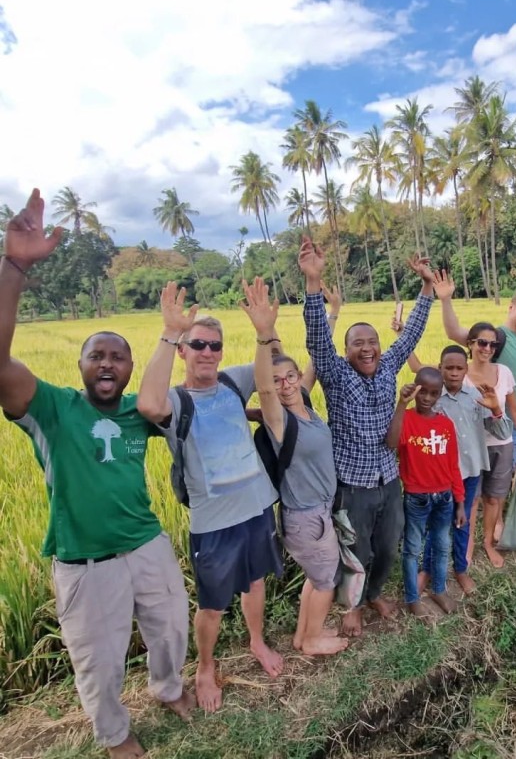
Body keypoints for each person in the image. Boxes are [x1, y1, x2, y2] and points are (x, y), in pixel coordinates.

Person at [0, 191, 193, 759]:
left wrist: (175, 337)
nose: (107, 363)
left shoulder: (139, 411)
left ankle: (167, 687)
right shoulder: (54, 410)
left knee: (170, 628)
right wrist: (13, 267)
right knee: (99, 660)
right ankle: (113, 734)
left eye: (117, 357)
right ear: (80, 366)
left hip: (146, 544)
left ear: (129, 368)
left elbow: (183, 404)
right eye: (96, 356)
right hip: (85, 562)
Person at [137, 282, 283, 714]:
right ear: (182, 351)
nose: (207, 352)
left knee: (255, 582)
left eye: (214, 346)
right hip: (213, 522)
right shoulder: (176, 402)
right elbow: (146, 404)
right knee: (214, 603)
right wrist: (168, 331)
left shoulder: (233, 382)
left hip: (256, 506)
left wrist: (264, 332)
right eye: (196, 344)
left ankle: (256, 640)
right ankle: (204, 666)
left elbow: (270, 371)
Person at [298, 237, 435, 637]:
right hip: (353, 485)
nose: (368, 348)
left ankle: (374, 592)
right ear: (346, 350)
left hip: (389, 479)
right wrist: (313, 283)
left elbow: (409, 337)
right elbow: (316, 339)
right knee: (355, 551)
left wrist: (426, 288)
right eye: (358, 343)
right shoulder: (336, 375)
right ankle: (352, 606)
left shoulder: (389, 367)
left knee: (388, 547)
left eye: (372, 341)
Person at [240, 276, 347, 656]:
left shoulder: (304, 401)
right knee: (326, 581)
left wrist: (332, 315)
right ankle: (313, 641)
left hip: (315, 513)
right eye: (276, 381)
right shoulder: (280, 421)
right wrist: (262, 334)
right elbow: (267, 390)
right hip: (305, 517)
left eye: (289, 377)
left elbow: (318, 356)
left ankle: (304, 635)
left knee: (315, 578)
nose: (284, 385)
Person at [435, 271, 516, 465]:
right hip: (506, 425)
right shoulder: (494, 339)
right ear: (511, 307)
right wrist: (446, 300)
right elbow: (454, 332)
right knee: (505, 483)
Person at [418, 345, 512, 595]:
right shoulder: (431, 400)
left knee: (463, 521)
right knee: (436, 523)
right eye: (448, 368)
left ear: (466, 370)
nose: (454, 373)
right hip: (439, 476)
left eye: (459, 368)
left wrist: (495, 408)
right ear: (440, 369)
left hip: (469, 473)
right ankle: (427, 570)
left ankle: (460, 569)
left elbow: (502, 433)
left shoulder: (475, 396)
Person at [386, 369, 466, 618]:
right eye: (423, 391)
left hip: (444, 497)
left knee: (442, 546)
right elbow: (391, 442)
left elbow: (454, 465)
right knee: (412, 548)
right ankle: (412, 597)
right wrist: (402, 403)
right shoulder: (406, 419)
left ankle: (439, 590)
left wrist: (460, 501)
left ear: (440, 393)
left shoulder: (445, 424)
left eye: (434, 393)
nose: (428, 398)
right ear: (415, 388)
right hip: (416, 497)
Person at [463, 322, 516, 567]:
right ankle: (468, 543)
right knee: (472, 499)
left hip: (501, 444)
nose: (488, 348)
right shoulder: (459, 373)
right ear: (470, 344)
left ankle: (488, 544)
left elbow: (514, 409)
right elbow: (423, 372)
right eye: (482, 342)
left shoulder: (503, 372)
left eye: (493, 344)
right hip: (471, 448)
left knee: (494, 498)